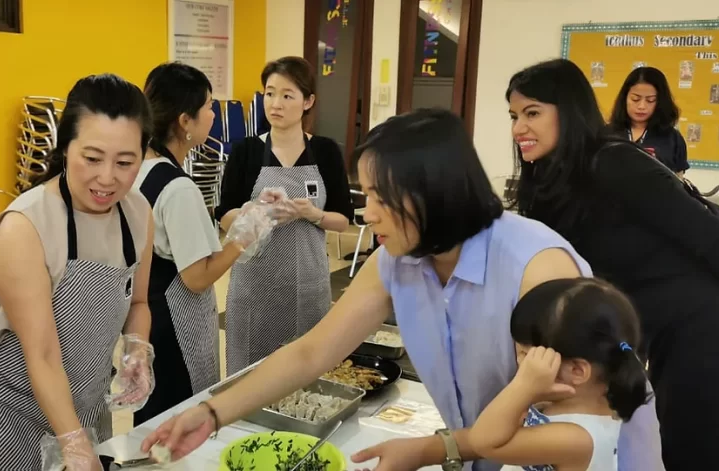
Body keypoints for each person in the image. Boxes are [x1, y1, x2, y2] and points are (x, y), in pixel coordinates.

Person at [141, 109, 664, 471]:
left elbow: (563, 428)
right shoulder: (400, 259)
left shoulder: (535, 267)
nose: (365, 213)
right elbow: (310, 352)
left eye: (376, 196)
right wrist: (210, 414)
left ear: (427, 195)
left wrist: (432, 451)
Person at [506, 58, 719, 470]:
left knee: (694, 450)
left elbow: (709, 235)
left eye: (532, 113)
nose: (518, 129)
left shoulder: (613, 162)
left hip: (707, 328)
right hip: (652, 329)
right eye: (514, 116)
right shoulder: (549, 182)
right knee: (655, 443)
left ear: (567, 111)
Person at [0, 74, 157, 471]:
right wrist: (74, 443)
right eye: (92, 158)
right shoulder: (27, 225)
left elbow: (140, 301)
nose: (107, 178)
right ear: (65, 148)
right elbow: (42, 352)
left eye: (125, 162)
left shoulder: (138, 212)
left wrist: (136, 350)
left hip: (85, 401)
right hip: (9, 409)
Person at [214, 56, 354, 375]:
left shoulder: (326, 151)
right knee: (249, 379)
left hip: (309, 285)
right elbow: (224, 215)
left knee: (305, 377)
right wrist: (255, 210)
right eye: (269, 93)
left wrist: (313, 214)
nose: (275, 104)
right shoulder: (247, 151)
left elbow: (343, 220)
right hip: (254, 288)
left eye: (287, 95)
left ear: (308, 101)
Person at [132, 63, 253, 424]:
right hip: (175, 322)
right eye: (208, 107)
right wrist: (245, 235)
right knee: (180, 417)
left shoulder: (140, 168)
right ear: (185, 121)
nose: (213, 114)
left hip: (149, 314)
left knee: (153, 419)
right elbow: (196, 277)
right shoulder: (179, 188)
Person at [470, 278, 651, 471]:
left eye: (526, 353)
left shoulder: (575, 437)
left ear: (576, 371)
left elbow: (482, 442)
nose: (519, 360)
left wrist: (522, 387)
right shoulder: (561, 404)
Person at [607, 66, 688, 175]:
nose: (641, 106)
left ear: (660, 102)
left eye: (650, 100)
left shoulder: (672, 138)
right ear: (624, 98)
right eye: (635, 99)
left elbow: (678, 182)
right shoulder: (606, 134)